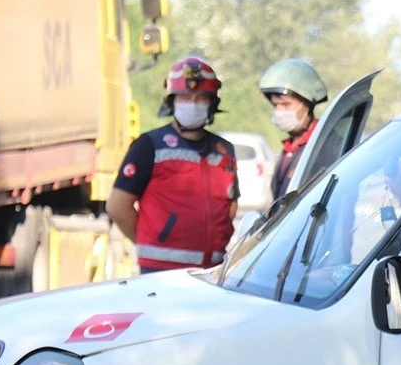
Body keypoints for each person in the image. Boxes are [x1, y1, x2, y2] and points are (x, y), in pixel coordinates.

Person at [107, 55, 239, 274]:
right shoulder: (149, 145)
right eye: (185, 97)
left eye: (201, 98)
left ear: (212, 103)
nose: (193, 104)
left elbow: (230, 206)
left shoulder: (224, 150)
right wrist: (149, 242)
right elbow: (117, 207)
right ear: (172, 102)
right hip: (160, 273)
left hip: (211, 271)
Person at [259, 58, 328, 204]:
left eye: (286, 104)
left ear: (308, 103)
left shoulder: (325, 144)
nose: (279, 111)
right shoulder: (289, 148)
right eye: (275, 105)